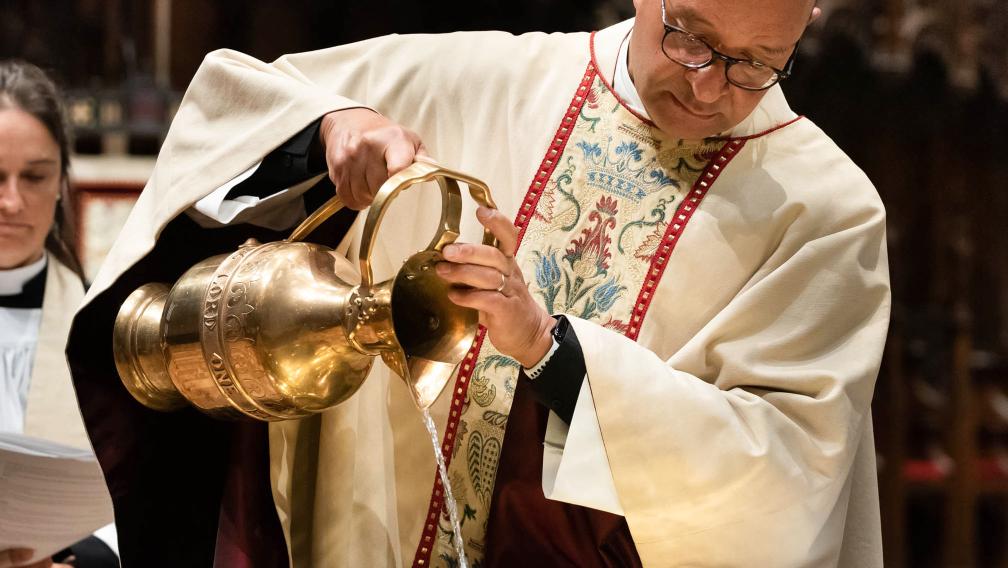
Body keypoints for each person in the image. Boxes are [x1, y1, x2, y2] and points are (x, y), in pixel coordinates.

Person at [67, 0, 890, 566]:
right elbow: (235, 103)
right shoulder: (485, 78)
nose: (710, 86)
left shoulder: (826, 211)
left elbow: (786, 484)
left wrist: (552, 353)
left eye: (756, 64)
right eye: (692, 39)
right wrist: (331, 129)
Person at [0, 61, 119, 568]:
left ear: (61, 184)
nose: (11, 201)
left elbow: (134, 498)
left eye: (34, 177)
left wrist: (76, 558)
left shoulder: (104, 330)